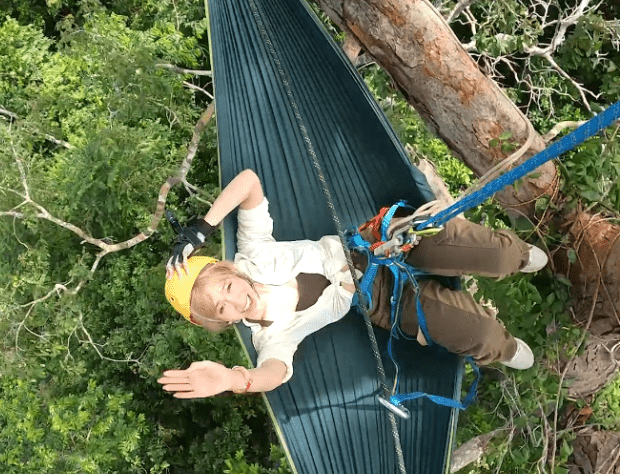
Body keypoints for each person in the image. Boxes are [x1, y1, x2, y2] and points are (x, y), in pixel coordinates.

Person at [158, 170, 547, 399]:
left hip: (378, 244)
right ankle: (505, 347)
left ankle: (519, 256)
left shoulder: (253, 251)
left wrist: (202, 228)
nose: (233, 302)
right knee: (479, 334)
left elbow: (249, 181)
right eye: (220, 309)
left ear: (229, 273)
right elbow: (273, 373)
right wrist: (232, 379)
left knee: (497, 256)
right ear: (220, 321)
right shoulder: (270, 336)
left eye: (225, 288)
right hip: (382, 301)